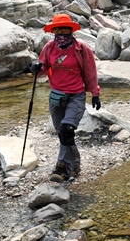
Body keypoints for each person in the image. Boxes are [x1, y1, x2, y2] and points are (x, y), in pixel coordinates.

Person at [30, 13, 101, 183]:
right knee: (63, 134)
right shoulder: (49, 48)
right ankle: (75, 164)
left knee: (67, 129)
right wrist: (35, 68)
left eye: (64, 29)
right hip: (56, 96)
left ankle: (61, 167)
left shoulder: (82, 49)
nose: (61, 33)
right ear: (53, 31)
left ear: (71, 30)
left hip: (76, 95)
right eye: (58, 29)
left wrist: (95, 94)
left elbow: (91, 73)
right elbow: (42, 69)